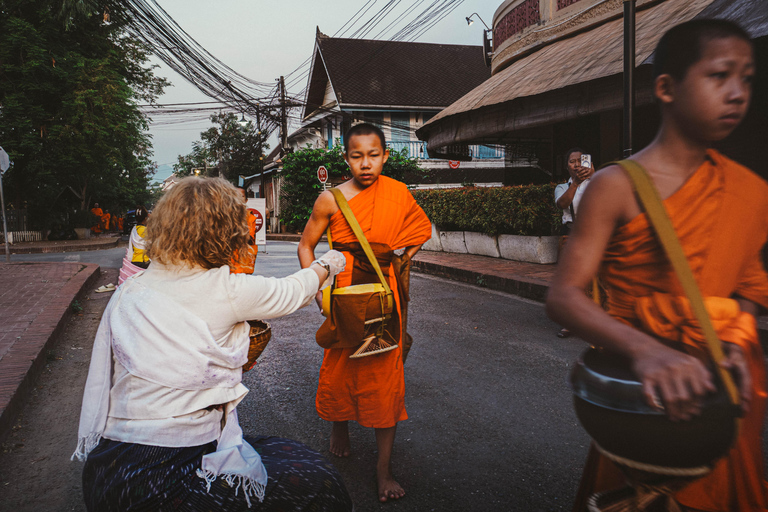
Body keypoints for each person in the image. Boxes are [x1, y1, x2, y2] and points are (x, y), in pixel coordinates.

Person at [546, 20, 768, 511]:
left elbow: (750, 284)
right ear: (666, 87)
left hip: (721, 391)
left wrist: (733, 341)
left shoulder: (751, 190)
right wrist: (648, 351)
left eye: (747, 79)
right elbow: (564, 295)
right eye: (720, 75)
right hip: (645, 394)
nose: (737, 93)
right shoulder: (616, 186)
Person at [73, 177, 352, 511]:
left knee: (279, 452)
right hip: (163, 480)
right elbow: (293, 291)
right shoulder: (224, 289)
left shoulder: (132, 289)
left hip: (108, 470)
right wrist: (328, 264)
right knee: (319, 481)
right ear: (226, 231)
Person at [298, 123, 432, 503]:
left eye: (374, 155)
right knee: (342, 364)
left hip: (384, 296)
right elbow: (306, 246)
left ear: (386, 156)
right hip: (344, 294)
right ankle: (339, 426)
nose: (366, 163)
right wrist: (319, 292)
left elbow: (421, 228)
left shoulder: (398, 193)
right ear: (346, 158)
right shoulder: (330, 200)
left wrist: (400, 262)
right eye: (357, 156)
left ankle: (383, 469)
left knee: (385, 374)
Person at [554, 148, 596, 338]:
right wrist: (576, 184)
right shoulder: (563, 187)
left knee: (596, 278)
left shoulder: (597, 183)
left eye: (581, 160)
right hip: (570, 235)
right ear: (567, 166)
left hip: (594, 235)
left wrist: (595, 176)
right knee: (570, 279)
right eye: (572, 161)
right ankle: (570, 322)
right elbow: (562, 204)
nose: (577, 164)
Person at [230, 187, 258, 275]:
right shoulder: (225, 216)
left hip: (243, 258)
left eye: (241, 196)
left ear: (246, 200)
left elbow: (250, 239)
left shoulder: (250, 217)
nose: (238, 198)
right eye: (235, 196)